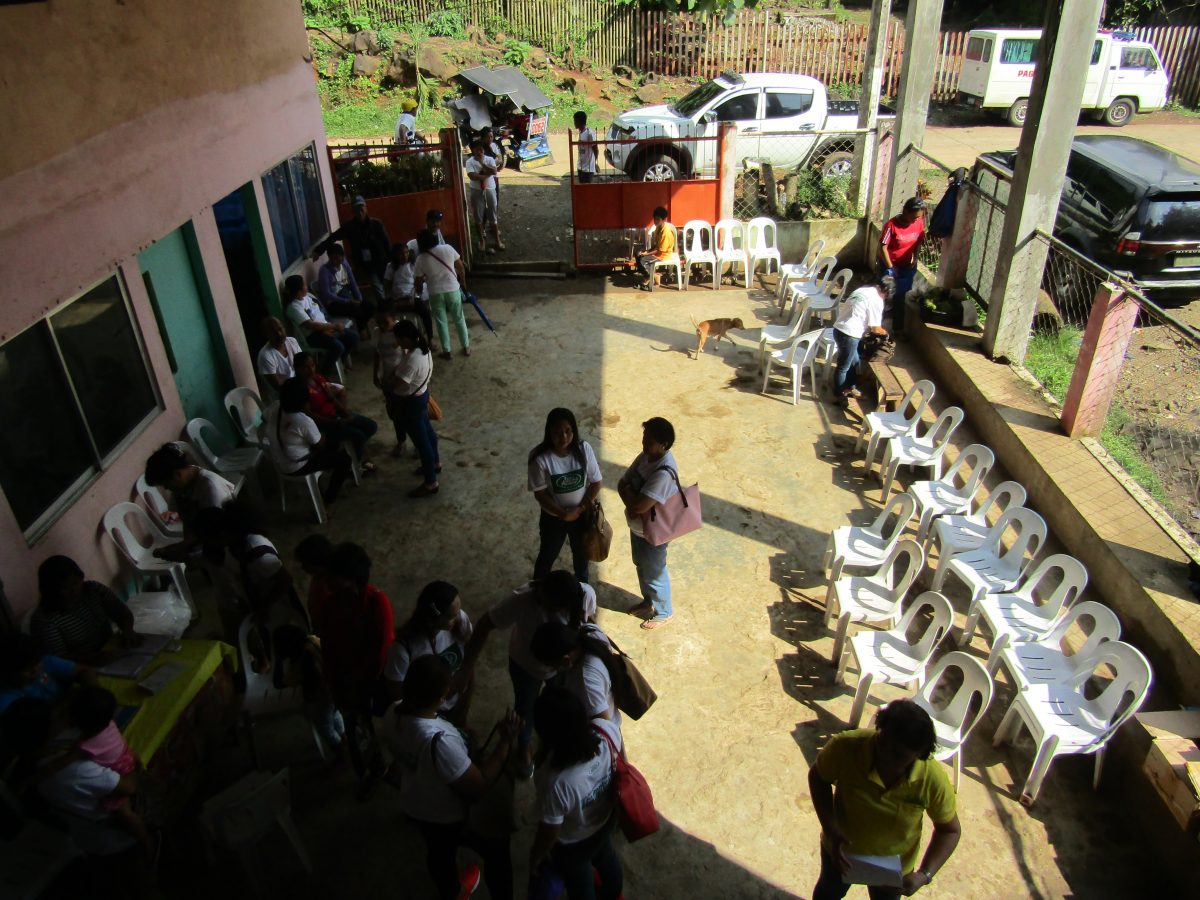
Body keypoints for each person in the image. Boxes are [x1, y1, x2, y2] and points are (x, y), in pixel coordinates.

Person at [384, 655, 518, 900]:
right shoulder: (439, 742)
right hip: (447, 814)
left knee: (439, 854)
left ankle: (453, 893)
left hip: (416, 803)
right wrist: (505, 743)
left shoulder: (393, 711)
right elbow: (479, 784)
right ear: (441, 698)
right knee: (497, 850)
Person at [808, 700, 961, 899]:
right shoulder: (846, 747)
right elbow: (818, 777)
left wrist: (925, 874)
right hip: (840, 853)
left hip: (892, 869)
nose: (884, 756)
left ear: (919, 755)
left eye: (898, 755)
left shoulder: (931, 780)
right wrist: (831, 828)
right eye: (881, 742)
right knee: (828, 893)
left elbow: (950, 830)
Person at [460, 571, 597, 778]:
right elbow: (484, 624)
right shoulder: (523, 598)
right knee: (525, 708)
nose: (542, 606)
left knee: (562, 704)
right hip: (525, 665)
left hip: (560, 667)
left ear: (564, 606)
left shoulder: (585, 595)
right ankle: (524, 747)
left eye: (550, 606)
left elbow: (589, 622)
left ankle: (555, 739)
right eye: (542, 600)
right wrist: (465, 668)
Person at [528, 687, 624, 900]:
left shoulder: (557, 782)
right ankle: (614, 892)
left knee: (580, 881)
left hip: (574, 842)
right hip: (604, 820)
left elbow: (550, 830)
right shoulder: (606, 731)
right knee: (606, 856)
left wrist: (537, 854)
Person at [308, 542, 393, 781]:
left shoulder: (376, 602)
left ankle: (381, 766)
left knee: (382, 724)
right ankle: (368, 770)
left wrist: (358, 681)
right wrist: (336, 683)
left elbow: (381, 650)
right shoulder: (330, 605)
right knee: (357, 730)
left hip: (371, 681)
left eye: (333, 576)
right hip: (345, 682)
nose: (327, 581)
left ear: (351, 578)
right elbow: (329, 648)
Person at [192, 501, 307, 658]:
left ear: (223, 534)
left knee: (287, 644)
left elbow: (285, 580)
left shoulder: (258, 553)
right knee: (270, 642)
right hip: (260, 602)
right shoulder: (233, 546)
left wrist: (264, 606)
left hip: (278, 605)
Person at [69, 685, 156, 863]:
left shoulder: (84, 746)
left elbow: (66, 760)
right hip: (128, 757)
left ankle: (146, 843)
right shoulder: (110, 724)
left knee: (125, 814)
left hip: (120, 773)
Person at [383, 580, 475, 725]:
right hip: (428, 716)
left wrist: (465, 701)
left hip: (455, 703)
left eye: (458, 612)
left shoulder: (460, 620)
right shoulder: (402, 649)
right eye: (450, 617)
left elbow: (469, 660)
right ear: (432, 618)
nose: (458, 617)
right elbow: (397, 694)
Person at [528, 408, 603, 585]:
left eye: (568, 431)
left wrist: (580, 509)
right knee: (547, 555)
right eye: (557, 433)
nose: (563, 437)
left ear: (574, 430)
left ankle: (582, 589)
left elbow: (596, 483)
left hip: (581, 516)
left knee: (581, 556)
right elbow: (540, 494)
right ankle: (537, 589)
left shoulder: (583, 449)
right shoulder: (540, 458)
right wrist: (563, 513)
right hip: (553, 518)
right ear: (549, 433)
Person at [618, 416, 680, 630]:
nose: (643, 442)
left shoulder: (663, 473)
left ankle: (664, 612)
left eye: (649, 440)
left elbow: (638, 506)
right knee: (641, 565)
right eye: (644, 437)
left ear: (663, 444)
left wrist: (631, 500)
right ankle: (648, 601)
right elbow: (621, 483)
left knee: (654, 572)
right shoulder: (646, 456)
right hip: (638, 529)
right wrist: (632, 500)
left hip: (654, 533)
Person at [265, 376, 353, 506]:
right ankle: (328, 499)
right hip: (298, 466)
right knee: (344, 459)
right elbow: (320, 444)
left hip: (280, 461)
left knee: (330, 440)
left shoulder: (274, 408)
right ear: (304, 400)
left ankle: (328, 471)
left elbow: (263, 418)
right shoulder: (302, 420)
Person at [30, 557, 137, 660]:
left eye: (76, 583)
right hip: (80, 666)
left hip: (110, 649)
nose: (74, 590)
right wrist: (94, 658)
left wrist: (128, 630)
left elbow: (122, 613)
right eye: (65, 588)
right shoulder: (44, 620)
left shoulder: (95, 590)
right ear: (51, 591)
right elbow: (59, 658)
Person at [143, 442, 237, 560]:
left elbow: (215, 530)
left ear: (177, 474)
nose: (166, 488)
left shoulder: (211, 487)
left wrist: (182, 548)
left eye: (166, 484)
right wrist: (183, 546)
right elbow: (187, 522)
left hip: (226, 548)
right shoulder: (182, 488)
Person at [294, 351, 378, 473]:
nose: (311, 370)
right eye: (305, 367)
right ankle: (354, 466)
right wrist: (334, 423)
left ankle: (353, 453)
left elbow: (333, 397)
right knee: (358, 436)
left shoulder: (318, 378)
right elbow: (308, 415)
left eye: (312, 365)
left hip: (336, 415)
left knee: (371, 426)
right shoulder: (299, 388)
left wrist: (344, 413)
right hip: (323, 425)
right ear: (297, 369)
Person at [272, 623, 346, 759]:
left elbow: (278, 683)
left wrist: (278, 660)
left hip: (319, 698)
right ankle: (345, 740)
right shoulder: (312, 640)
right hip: (333, 689)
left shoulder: (300, 663)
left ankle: (342, 755)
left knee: (326, 729)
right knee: (335, 716)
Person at [390, 319, 442, 498]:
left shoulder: (412, 360)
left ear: (405, 339)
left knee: (422, 443)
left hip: (410, 403)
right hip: (422, 395)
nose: (396, 342)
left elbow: (398, 383)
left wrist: (388, 380)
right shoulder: (422, 349)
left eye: (398, 339)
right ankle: (435, 464)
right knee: (428, 432)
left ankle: (431, 483)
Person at [530, 622, 619, 725]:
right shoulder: (590, 631)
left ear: (566, 661)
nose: (552, 670)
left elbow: (604, 728)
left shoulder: (586, 683)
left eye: (552, 665)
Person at [0, 632, 95, 715]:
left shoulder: (44, 660)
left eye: (37, 662)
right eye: (27, 669)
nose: (36, 669)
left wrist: (94, 696)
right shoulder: (6, 701)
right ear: (9, 672)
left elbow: (84, 671)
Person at [831, 274, 889, 407]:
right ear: (886, 292)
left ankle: (850, 387)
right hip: (849, 334)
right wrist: (886, 334)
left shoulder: (862, 290)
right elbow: (875, 328)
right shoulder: (877, 300)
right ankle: (837, 396)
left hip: (839, 329)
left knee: (855, 362)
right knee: (843, 367)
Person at [318, 196, 392, 302]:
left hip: (381, 261)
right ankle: (383, 307)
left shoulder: (376, 224)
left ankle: (388, 306)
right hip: (367, 264)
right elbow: (333, 237)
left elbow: (386, 243)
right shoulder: (350, 227)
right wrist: (318, 250)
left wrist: (391, 261)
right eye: (356, 209)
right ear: (353, 211)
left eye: (361, 208)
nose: (360, 212)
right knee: (378, 288)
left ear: (366, 208)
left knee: (387, 286)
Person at [284, 273, 359, 377]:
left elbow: (321, 315)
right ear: (299, 291)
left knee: (353, 337)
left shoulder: (308, 297)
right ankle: (324, 375)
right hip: (313, 335)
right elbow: (311, 325)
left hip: (325, 327)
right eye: (304, 285)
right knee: (338, 346)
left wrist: (328, 327)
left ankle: (339, 363)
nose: (306, 286)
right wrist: (334, 327)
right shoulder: (294, 307)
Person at [412, 228, 471, 360]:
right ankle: (466, 347)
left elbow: (418, 280)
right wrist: (463, 284)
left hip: (435, 293)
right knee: (459, 318)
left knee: (441, 322)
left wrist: (419, 291)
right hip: (453, 289)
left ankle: (447, 351)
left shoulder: (421, 258)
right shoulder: (448, 248)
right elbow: (460, 266)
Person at [880, 197, 926, 333]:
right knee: (884, 296)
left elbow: (918, 242)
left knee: (900, 298)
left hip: (906, 267)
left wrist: (915, 258)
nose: (916, 220)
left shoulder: (919, 223)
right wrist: (890, 267)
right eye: (914, 217)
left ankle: (897, 330)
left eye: (918, 217)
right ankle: (876, 328)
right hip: (889, 266)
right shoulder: (891, 225)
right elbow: (883, 247)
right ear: (905, 211)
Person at [371, 301, 409, 458]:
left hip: (403, 380)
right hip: (387, 380)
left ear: (394, 318)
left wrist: (398, 376)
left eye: (385, 322)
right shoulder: (377, 333)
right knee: (394, 413)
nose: (381, 326)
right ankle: (401, 441)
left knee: (409, 413)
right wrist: (375, 373)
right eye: (378, 322)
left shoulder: (402, 332)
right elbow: (377, 354)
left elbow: (409, 357)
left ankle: (418, 443)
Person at [316, 243, 375, 332]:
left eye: (337, 258)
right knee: (357, 311)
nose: (334, 261)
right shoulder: (324, 270)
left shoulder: (344, 264)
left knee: (370, 307)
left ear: (342, 256)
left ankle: (361, 329)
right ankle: (361, 332)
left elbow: (353, 282)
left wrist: (359, 299)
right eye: (332, 258)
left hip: (346, 296)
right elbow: (327, 294)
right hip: (333, 303)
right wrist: (348, 301)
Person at [465, 140, 504, 254]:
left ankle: (497, 240)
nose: (479, 152)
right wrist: (487, 174)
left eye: (481, 149)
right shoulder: (469, 162)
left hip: (490, 189)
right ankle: (482, 241)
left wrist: (482, 163)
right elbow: (472, 176)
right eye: (477, 149)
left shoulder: (489, 159)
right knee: (478, 217)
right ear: (473, 150)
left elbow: (494, 171)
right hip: (476, 190)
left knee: (493, 215)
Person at [256, 315, 302, 389]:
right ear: (266, 335)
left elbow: (302, 364)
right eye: (273, 332)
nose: (279, 334)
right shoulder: (265, 355)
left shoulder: (292, 341)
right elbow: (278, 385)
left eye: (280, 329)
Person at [636, 206, 675, 291]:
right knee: (638, 254)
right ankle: (652, 275)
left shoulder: (666, 233)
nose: (655, 221)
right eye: (655, 219)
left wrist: (646, 254)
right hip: (657, 252)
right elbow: (656, 245)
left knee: (643, 260)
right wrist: (647, 251)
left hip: (663, 255)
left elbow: (659, 250)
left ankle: (648, 279)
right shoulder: (658, 228)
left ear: (664, 220)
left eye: (658, 219)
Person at [479, 126, 506, 205]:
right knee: (484, 199)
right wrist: (493, 164)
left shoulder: (494, 145)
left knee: (495, 198)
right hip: (483, 178)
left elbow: (500, 159)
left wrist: (492, 164)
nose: (490, 139)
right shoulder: (479, 148)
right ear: (483, 138)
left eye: (491, 136)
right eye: (488, 137)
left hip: (494, 176)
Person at [574, 111, 597, 184]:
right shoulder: (581, 132)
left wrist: (595, 163)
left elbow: (596, 149)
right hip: (580, 167)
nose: (574, 123)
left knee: (587, 188)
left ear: (579, 121)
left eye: (575, 121)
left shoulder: (589, 133)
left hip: (588, 169)